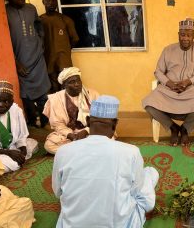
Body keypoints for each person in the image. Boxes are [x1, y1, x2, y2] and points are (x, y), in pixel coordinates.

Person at [52, 95, 159, 228]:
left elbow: (57, 192)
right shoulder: (131, 152)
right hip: (120, 224)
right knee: (150, 173)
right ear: (115, 124)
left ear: (88, 121)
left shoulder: (63, 151)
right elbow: (136, 191)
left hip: (74, 224)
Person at [142, 18, 194, 146]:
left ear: (193, 36)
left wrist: (188, 82)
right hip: (169, 88)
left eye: (189, 35)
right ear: (178, 35)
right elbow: (158, 72)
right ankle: (173, 128)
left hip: (190, 88)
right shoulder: (168, 49)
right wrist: (170, 84)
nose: (185, 38)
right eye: (183, 35)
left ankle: (185, 130)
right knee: (148, 103)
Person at [6, 0, 51, 128]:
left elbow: (38, 24)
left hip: (37, 56)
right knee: (25, 92)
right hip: (21, 59)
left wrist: (41, 40)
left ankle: (45, 120)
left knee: (44, 89)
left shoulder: (31, 8)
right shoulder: (4, 11)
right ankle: (32, 121)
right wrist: (16, 62)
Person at [43, 67, 99, 154]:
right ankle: (88, 151)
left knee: (108, 136)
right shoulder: (56, 98)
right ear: (64, 85)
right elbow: (57, 124)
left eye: (78, 81)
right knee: (49, 145)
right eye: (72, 82)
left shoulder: (92, 94)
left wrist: (86, 131)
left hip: (90, 132)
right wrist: (70, 135)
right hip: (70, 134)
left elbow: (100, 119)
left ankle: (73, 152)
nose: (77, 84)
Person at [0, 81, 39, 173]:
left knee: (32, 144)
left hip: (11, 146)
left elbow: (22, 135)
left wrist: (23, 151)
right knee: (12, 164)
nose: (1, 105)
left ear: (12, 102)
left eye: (6, 101)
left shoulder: (16, 110)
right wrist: (8, 153)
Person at [40, 0, 79, 93]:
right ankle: (56, 108)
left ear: (57, 2)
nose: (51, 3)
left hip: (63, 60)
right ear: (43, 2)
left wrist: (64, 49)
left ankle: (68, 108)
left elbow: (75, 39)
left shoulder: (66, 20)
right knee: (52, 87)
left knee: (67, 84)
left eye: (54, 0)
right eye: (48, 0)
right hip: (47, 60)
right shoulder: (39, 21)